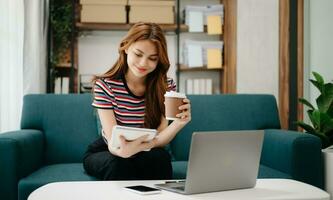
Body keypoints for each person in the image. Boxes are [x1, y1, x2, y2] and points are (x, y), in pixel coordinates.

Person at [83, 22, 191, 180]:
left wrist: (178, 124)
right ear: (126, 47)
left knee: (160, 159)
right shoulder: (105, 85)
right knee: (119, 164)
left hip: (146, 147)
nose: (143, 63)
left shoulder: (166, 86)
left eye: (152, 58)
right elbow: (113, 140)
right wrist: (123, 152)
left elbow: (160, 138)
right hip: (108, 149)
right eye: (138, 54)